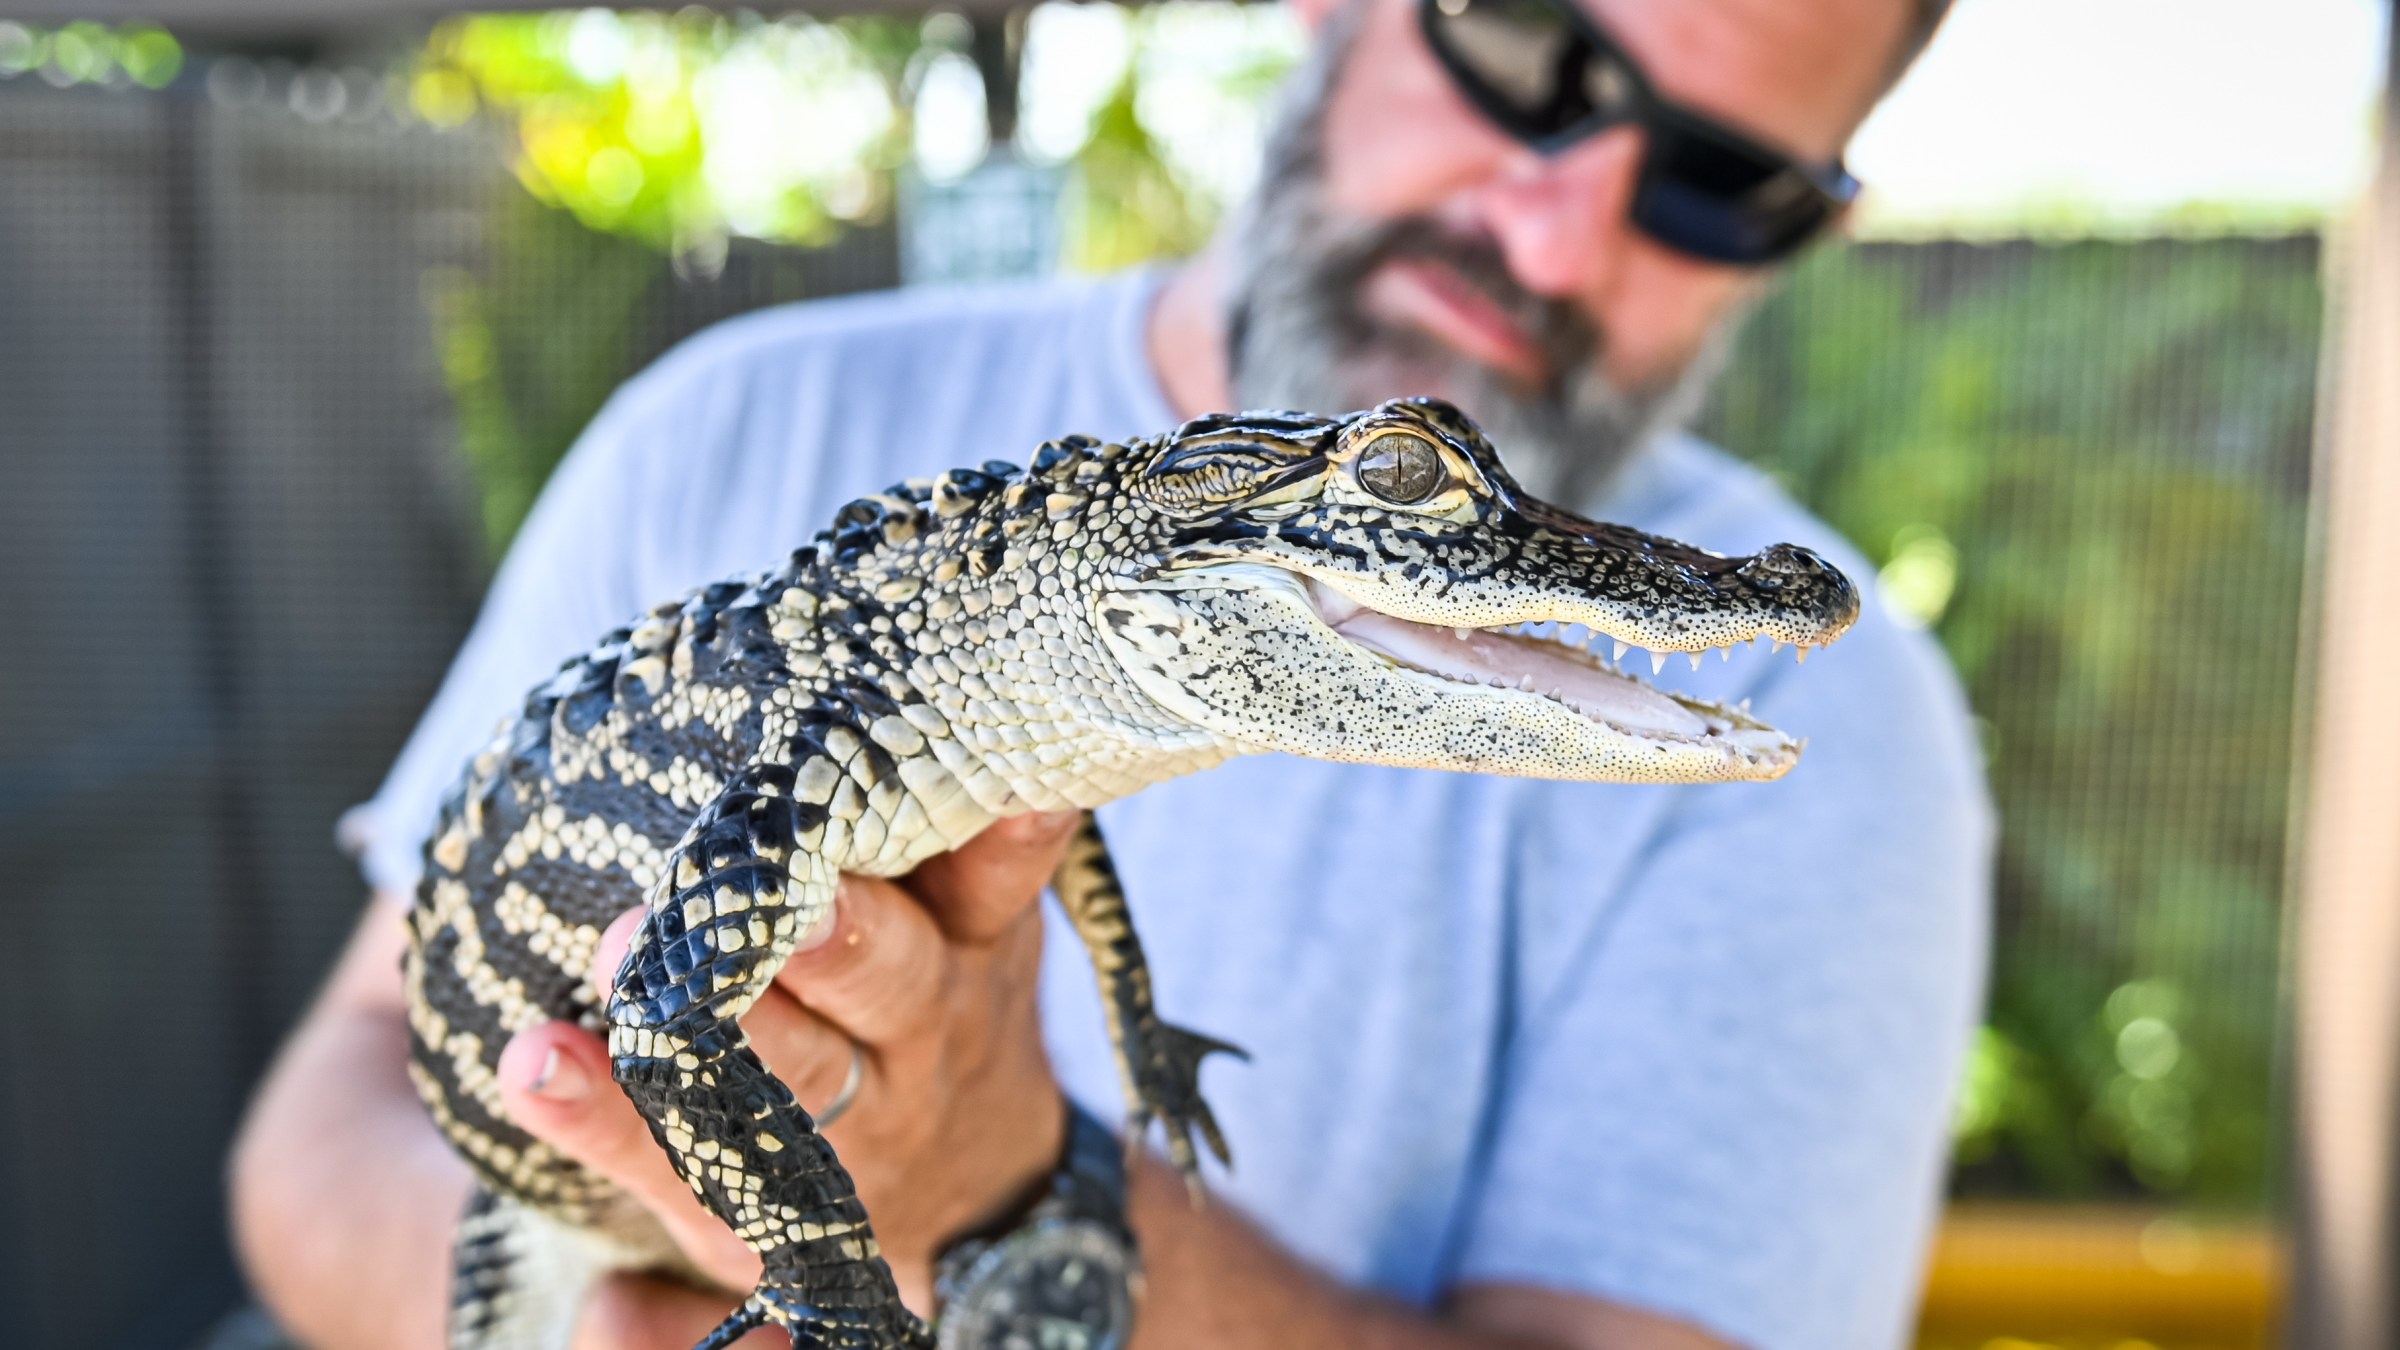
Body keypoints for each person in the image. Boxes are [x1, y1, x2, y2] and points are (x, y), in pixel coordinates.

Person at [230, 0, 1992, 1346]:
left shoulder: (1853, 726)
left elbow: (1044, 826)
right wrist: (779, 1292)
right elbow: (338, 1118)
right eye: (1524, 42)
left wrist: (1006, 1188)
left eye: (1721, 180)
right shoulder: (723, 433)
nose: (1550, 227)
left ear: (1809, 227)